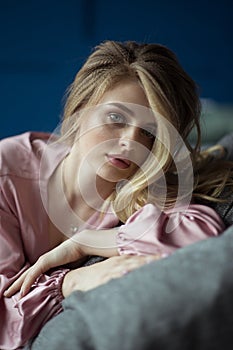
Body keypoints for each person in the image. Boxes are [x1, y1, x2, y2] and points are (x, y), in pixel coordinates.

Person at [1, 40, 233, 350]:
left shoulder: (147, 182)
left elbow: (199, 232)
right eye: (116, 119)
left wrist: (86, 242)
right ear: (80, 108)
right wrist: (71, 282)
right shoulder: (7, 173)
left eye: (150, 132)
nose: (131, 142)